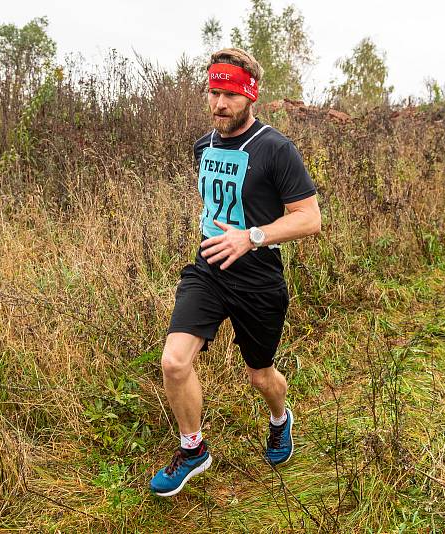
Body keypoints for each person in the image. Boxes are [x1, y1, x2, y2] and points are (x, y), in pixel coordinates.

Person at [149, 48, 321, 497]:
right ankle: (193, 451)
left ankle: (280, 419)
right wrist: (224, 239)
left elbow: (309, 218)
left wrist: (252, 236)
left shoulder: (276, 148)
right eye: (213, 92)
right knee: (174, 361)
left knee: (260, 376)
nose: (219, 103)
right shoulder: (203, 145)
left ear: (250, 97)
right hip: (209, 268)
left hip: (258, 278)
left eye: (229, 94)